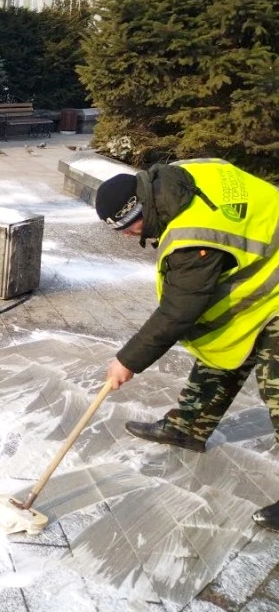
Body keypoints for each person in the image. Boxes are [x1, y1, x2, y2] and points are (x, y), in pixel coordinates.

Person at [95, 159, 279, 530]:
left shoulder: (191, 237)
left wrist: (127, 360)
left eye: (129, 228)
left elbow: (180, 310)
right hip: (262, 267)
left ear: (140, 206)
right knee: (223, 345)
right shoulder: (176, 178)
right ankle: (189, 428)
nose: (129, 236)